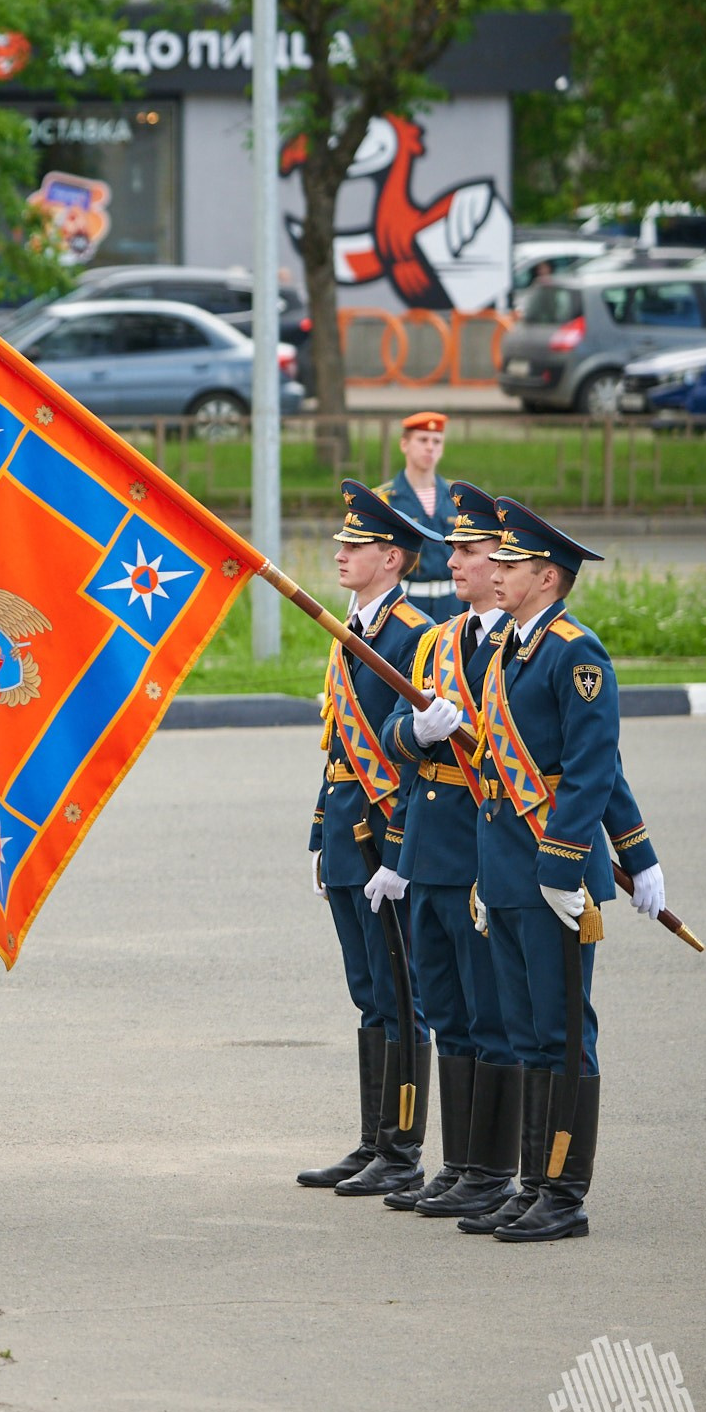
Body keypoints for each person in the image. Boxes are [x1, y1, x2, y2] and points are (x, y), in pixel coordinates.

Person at [453, 498, 668, 1242]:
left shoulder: (576, 652)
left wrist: (617, 857)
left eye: (510, 565)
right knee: (525, 1033)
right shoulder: (510, 648)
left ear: (547, 575)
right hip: (508, 873)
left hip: (555, 877)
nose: (497, 573)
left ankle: (565, 1193)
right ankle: (535, 1180)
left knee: (563, 1031)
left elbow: (592, 767)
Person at [369, 480, 511, 1216]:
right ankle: (459, 1163)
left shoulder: (514, 650)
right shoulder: (436, 642)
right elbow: (395, 734)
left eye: (469, 550)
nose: (453, 560)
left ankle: (492, 1168)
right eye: (451, 549)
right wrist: (416, 732)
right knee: (447, 1011)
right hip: (427, 853)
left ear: (505, 560)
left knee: (489, 1015)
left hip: (480, 857)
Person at [296, 479, 440, 1199]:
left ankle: (404, 1149)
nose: (341, 554)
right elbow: (337, 747)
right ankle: (372, 1140)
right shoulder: (352, 630)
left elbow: (419, 756)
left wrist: (406, 851)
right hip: (350, 836)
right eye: (341, 543)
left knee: (401, 992)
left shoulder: (412, 634)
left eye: (355, 546)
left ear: (392, 557)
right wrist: (322, 834)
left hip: (388, 836)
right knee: (368, 992)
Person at [377, 411, 463, 622]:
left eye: (436, 441)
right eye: (423, 440)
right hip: (407, 601)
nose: (430, 447)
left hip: (453, 601)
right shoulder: (384, 500)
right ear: (404, 444)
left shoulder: (458, 497)